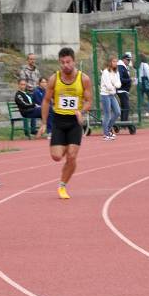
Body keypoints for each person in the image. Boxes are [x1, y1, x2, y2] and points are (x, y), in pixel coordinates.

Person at [38, 47, 93, 199]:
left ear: (74, 61)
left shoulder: (84, 79)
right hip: (59, 121)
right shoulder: (54, 79)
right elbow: (46, 101)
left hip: (74, 122)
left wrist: (81, 111)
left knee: (72, 156)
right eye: (62, 62)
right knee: (56, 156)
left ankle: (62, 186)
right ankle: (65, 153)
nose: (65, 65)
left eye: (68, 62)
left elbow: (89, 101)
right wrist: (44, 123)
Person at [99, 56, 121, 140]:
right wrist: (114, 85)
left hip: (112, 95)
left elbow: (118, 83)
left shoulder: (116, 72)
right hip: (105, 95)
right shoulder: (105, 72)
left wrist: (115, 85)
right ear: (110, 62)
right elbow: (108, 86)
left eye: (116, 61)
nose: (115, 63)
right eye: (113, 61)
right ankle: (106, 134)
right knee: (107, 114)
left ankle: (108, 129)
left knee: (117, 112)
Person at [116, 52, 133, 122]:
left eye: (129, 60)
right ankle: (124, 122)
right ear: (123, 59)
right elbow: (120, 79)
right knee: (126, 107)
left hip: (123, 90)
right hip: (121, 90)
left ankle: (123, 122)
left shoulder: (123, 67)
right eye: (128, 60)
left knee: (124, 106)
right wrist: (130, 80)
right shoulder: (121, 67)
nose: (129, 61)